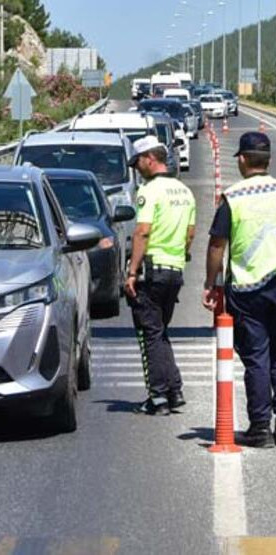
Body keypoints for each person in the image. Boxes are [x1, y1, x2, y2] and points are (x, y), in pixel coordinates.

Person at [203, 131, 276, 448]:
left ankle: (260, 428)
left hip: (250, 289)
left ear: (244, 160)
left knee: (257, 358)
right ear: (268, 160)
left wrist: (211, 283)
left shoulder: (233, 198)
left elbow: (217, 245)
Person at [125, 136, 196, 416]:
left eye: (138, 162)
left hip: (152, 270)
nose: (137, 168)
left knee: (150, 333)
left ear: (149, 159)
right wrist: (177, 254)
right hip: (175, 269)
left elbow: (142, 231)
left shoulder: (149, 191)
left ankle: (157, 397)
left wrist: (132, 272)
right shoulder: (184, 191)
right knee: (160, 330)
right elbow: (190, 234)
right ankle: (174, 390)